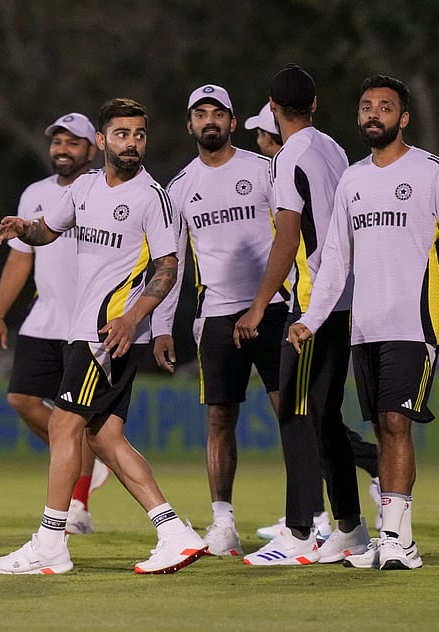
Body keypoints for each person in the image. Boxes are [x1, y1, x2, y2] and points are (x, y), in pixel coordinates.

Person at [0, 97, 206, 575]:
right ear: (105, 140)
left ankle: (51, 542)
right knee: (106, 437)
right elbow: (49, 230)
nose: (133, 143)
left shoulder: (152, 196)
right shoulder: (86, 187)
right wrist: (23, 227)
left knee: (65, 426)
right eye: (123, 134)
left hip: (105, 335)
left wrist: (135, 319)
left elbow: (167, 269)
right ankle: (174, 532)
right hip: (83, 330)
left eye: (140, 134)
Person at [287, 75, 439, 570]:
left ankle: (393, 538)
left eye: (386, 107)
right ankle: (400, 539)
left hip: (415, 324)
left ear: (404, 118)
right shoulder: (352, 178)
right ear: (358, 116)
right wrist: (312, 317)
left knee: (396, 423)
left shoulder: (432, 171)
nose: (375, 114)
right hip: (364, 327)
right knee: (382, 425)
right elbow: (333, 260)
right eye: (367, 106)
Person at [240, 64, 367, 566]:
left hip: (313, 304)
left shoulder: (288, 157)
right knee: (326, 416)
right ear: (314, 105)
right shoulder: (333, 148)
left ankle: (298, 532)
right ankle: (351, 529)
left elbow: (288, 237)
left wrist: (256, 308)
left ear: (272, 107)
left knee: (295, 412)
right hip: (348, 297)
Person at [152, 84, 281, 558]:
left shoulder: (265, 170)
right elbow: (174, 263)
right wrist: (162, 325)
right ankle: (223, 522)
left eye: (218, 113)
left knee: (291, 411)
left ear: (231, 121)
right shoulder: (179, 187)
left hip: (275, 309)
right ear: (189, 125)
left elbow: (293, 237)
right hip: (218, 317)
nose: (209, 121)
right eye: (200, 114)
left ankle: (309, 517)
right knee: (219, 418)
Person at [0, 112, 109, 535]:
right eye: (57, 141)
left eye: (73, 142)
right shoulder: (35, 194)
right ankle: (75, 458)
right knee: (21, 398)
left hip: (88, 323)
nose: (63, 149)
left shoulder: (102, 191)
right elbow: (21, 257)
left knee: (81, 417)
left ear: (92, 149)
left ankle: (79, 505)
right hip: (45, 318)